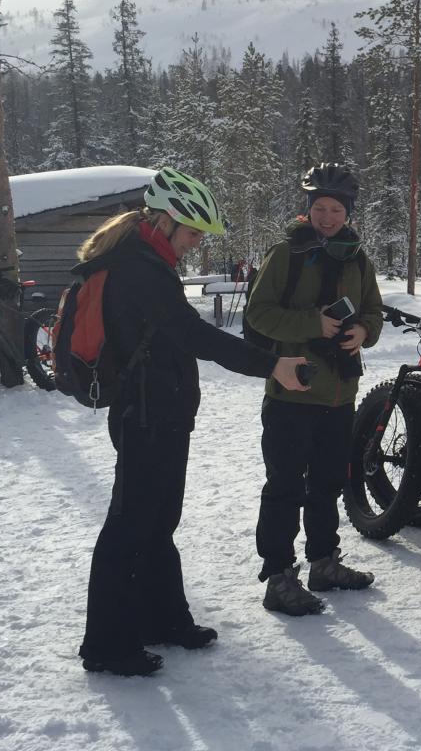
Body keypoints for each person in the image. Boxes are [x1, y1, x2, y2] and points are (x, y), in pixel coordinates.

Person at [77, 167, 309, 677]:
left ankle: (164, 618)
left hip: (162, 412)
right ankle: (107, 645)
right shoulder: (139, 268)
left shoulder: (148, 260)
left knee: (158, 522)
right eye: (191, 234)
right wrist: (272, 364)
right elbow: (191, 335)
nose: (194, 245)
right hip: (146, 416)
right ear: (163, 222)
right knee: (129, 526)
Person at [246, 163, 383, 616]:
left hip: (340, 391)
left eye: (336, 209)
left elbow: (374, 312)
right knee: (285, 484)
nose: (327, 217)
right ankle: (278, 576)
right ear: (308, 209)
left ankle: (323, 562)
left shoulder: (358, 257)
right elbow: (258, 314)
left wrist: (363, 331)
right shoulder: (286, 253)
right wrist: (313, 323)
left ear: (348, 212)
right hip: (293, 389)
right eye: (320, 208)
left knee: (328, 482)